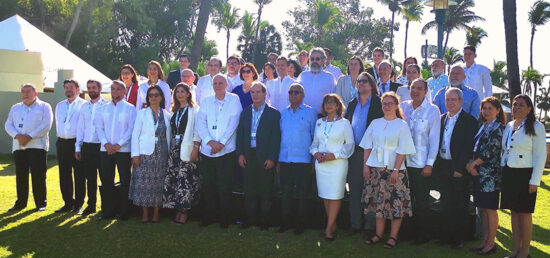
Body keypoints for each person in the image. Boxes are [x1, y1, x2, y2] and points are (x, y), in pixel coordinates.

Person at [361, 92, 416, 249]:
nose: (386, 106)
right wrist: (365, 166)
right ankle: (378, 234)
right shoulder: (375, 122)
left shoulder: (402, 125)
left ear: (396, 105)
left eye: (390, 103)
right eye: (384, 103)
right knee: (379, 203)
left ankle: (393, 237)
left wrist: (395, 170)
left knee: (395, 204)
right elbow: (367, 145)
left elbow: (402, 149)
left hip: (394, 170)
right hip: (376, 169)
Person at [500, 94, 546, 258]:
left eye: (521, 105)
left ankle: (525, 251)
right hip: (510, 173)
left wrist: (534, 181)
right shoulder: (510, 125)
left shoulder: (536, 126)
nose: (516, 107)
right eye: (514, 104)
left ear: (529, 108)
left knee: (525, 213)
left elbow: (540, 156)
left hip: (525, 174)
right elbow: (506, 150)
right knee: (514, 212)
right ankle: (516, 249)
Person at [196, 74, 243, 228]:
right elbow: (200, 123)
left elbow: (234, 122)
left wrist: (221, 143)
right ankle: (208, 216)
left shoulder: (234, 99)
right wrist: (210, 141)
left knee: (225, 186)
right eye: (215, 83)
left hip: (226, 151)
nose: (217, 85)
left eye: (220, 82)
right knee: (208, 185)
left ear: (226, 84)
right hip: (208, 151)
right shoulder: (206, 101)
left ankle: (225, 218)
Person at [433, 87, 478, 248]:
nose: (450, 103)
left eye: (453, 100)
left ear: (460, 101)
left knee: (460, 203)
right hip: (443, 165)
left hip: (458, 167)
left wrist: (459, 168)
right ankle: (445, 236)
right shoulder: (442, 118)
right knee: (445, 202)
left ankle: (459, 237)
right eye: (448, 100)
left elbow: (468, 146)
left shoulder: (469, 120)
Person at [400, 78, 441, 244]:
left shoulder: (432, 110)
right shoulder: (403, 106)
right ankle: (407, 232)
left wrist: (429, 163)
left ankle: (423, 233)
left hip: (420, 164)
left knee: (422, 201)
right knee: (405, 199)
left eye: (419, 88)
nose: (415, 91)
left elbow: (434, 139)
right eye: (412, 87)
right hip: (403, 163)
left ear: (425, 91)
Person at [236, 82, 281, 230]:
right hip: (249, 155)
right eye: (252, 92)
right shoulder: (246, 112)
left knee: (265, 190)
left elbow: (276, 138)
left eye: (258, 92)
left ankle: (264, 221)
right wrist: (241, 154)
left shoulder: (274, 114)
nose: (255, 95)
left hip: (265, 156)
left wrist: (272, 158)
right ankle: (250, 219)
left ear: (265, 94)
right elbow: (240, 135)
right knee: (249, 189)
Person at [343, 72, 383, 237]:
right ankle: (355, 223)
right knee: (355, 189)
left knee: (372, 190)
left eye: (365, 81)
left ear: (372, 84)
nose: (361, 84)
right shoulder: (352, 104)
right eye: (359, 81)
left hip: (373, 152)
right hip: (355, 153)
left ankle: (370, 225)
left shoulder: (379, 103)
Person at [310, 94, 355, 240]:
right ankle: (332, 224)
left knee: (335, 195)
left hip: (337, 164)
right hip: (321, 164)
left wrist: (334, 155)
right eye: (326, 102)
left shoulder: (344, 123)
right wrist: (315, 153)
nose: (329, 105)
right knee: (325, 195)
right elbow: (314, 143)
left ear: (338, 106)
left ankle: (329, 227)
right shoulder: (319, 122)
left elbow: (349, 145)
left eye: (332, 102)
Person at [465, 96, 505, 255]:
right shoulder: (482, 126)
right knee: (482, 208)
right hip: (478, 174)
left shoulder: (499, 128)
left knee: (490, 210)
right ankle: (485, 241)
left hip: (490, 176)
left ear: (498, 110)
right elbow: (474, 147)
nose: (486, 111)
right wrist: (471, 164)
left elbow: (491, 151)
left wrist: (473, 164)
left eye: (490, 108)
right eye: (484, 108)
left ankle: (491, 243)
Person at [5, 84, 53, 212]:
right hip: (19, 146)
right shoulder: (15, 108)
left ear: (35, 93)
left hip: (38, 146)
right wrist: (17, 136)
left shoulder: (44, 106)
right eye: (22, 91)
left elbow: (46, 125)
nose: (25, 94)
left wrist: (29, 136)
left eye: (28, 91)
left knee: (38, 175)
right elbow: (8, 125)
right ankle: (20, 203)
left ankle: (41, 203)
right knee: (21, 175)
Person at [278, 83, 317, 234]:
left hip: (303, 160)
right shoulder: (283, 113)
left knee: (302, 194)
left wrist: (313, 161)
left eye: (297, 92)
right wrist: (278, 160)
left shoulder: (310, 113)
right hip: (285, 159)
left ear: (303, 95)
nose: (293, 94)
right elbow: (279, 137)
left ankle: (300, 225)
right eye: (291, 92)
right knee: (286, 193)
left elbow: (315, 137)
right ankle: (285, 223)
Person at [95, 80, 137, 220]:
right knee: (107, 180)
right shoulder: (103, 108)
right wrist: (106, 144)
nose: (115, 91)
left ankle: (124, 211)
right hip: (105, 149)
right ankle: (107, 210)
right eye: (113, 89)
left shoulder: (130, 108)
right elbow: (99, 128)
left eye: (119, 89)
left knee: (125, 180)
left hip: (123, 150)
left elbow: (131, 129)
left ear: (124, 91)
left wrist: (118, 145)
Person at [129, 86, 171, 223]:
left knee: (158, 184)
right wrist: (135, 154)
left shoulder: (167, 114)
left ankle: (156, 213)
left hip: (162, 154)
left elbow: (168, 136)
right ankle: (145, 213)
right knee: (143, 184)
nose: (153, 97)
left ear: (161, 97)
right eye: (151, 95)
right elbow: (135, 135)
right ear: (148, 98)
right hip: (144, 154)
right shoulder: (141, 113)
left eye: (156, 95)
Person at [163, 83, 201, 224]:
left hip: (188, 148)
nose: (180, 94)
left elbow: (198, 130)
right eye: (177, 91)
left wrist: (196, 148)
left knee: (186, 180)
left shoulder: (194, 110)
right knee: (175, 180)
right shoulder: (173, 110)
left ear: (188, 93)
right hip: (174, 149)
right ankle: (177, 208)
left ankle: (184, 211)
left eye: (182, 91)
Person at [75, 80, 108, 216]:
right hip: (87, 147)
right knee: (90, 178)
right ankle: (91, 205)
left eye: (94, 87)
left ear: (100, 89)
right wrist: (78, 147)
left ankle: (106, 206)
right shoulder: (84, 107)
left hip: (102, 147)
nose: (91, 90)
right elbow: (80, 128)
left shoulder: (107, 105)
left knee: (105, 178)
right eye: (89, 88)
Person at [54, 79, 86, 213]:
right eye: (66, 87)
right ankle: (67, 203)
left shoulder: (84, 105)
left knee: (79, 175)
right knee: (64, 174)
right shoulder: (60, 105)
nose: (68, 90)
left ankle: (78, 204)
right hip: (62, 142)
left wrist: (78, 145)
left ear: (78, 89)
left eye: (71, 87)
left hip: (77, 143)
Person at [297, 47, 336, 114]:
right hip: (303, 115)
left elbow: (333, 97)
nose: (314, 61)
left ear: (323, 60)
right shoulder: (303, 75)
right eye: (312, 59)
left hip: (322, 116)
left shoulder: (329, 77)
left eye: (317, 59)